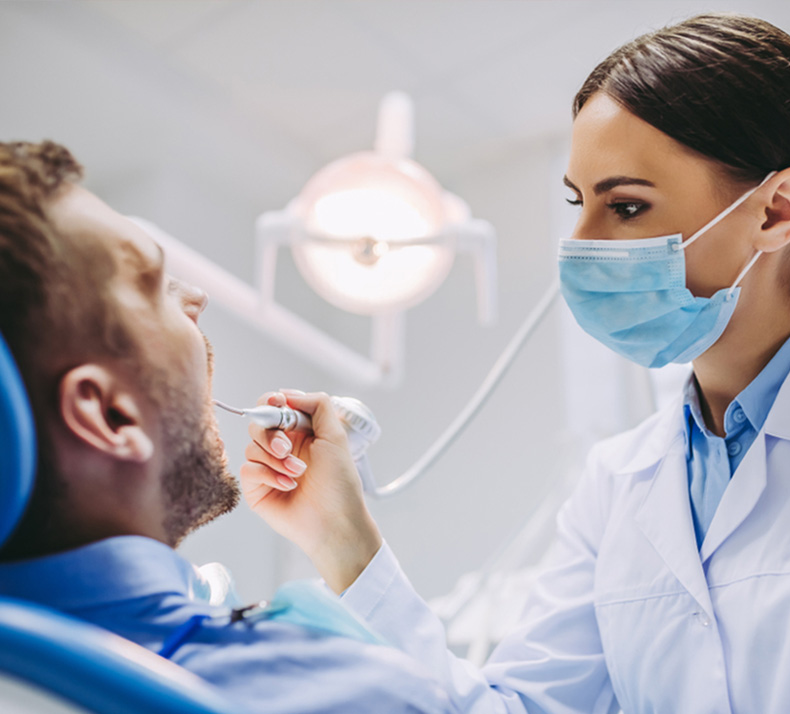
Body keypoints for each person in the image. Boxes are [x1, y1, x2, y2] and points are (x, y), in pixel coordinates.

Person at [241, 12, 790, 713]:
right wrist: (342, 539)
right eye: (577, 204)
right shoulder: (619, 484)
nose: (579, 245)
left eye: (625, 206)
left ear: (776, 210)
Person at [0, 140, 454, 714]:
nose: (196, 297)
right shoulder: (348, 693)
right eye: (149, 281)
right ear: (108, 415)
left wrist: (342, 540)